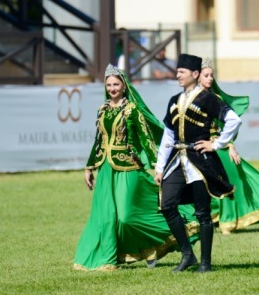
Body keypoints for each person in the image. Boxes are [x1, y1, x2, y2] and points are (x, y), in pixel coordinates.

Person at [73, 64, 199, 271]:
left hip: (129, 169)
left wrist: (159, 167)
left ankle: (160, 242)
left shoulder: (132, 110)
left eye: (116, 84)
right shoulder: (102, 110)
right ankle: (109, 258)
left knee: (126, 217)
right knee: (106, 217)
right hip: (106, 170)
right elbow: (99, 140)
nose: (113, 88)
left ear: (124, 86)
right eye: (109, 85)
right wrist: (89, 167)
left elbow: (147, 140)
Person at [155, 53, 240, 273]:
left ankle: (205, 263)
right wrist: (159, 166)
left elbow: (233, 119)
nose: (178, 76)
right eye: (177, 72)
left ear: (194, 74)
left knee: (202, 213)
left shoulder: (207, 98)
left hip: (200, 162)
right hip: (177, 160)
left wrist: (217, 144)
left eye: (181, 72)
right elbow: (168, 135)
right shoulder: (174, 100)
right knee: (167, 204)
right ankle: (187, 254)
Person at [198, 58, 259, 233]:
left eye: (212, 75)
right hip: (195, 147)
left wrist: (230, 145)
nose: (210, 79)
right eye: (206, 75)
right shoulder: (190, 98)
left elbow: (226, 124)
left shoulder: (215, 98)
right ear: (197, 76)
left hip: (217, 146)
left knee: (234, 173)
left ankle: (229, 220)